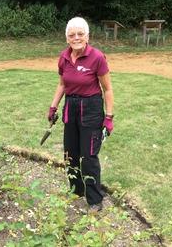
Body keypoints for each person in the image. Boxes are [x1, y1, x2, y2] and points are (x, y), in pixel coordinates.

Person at [48, 17, 114, 212]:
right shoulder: (64, 57)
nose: (76, 38)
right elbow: (62, 84)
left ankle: (95, 200)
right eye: (72, 35)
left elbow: (107, 89)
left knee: (89, 155)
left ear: (87, 36)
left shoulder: (97, 57)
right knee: (70, 153)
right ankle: (76, 191)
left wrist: (108, 118)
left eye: (80, 34)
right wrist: (53, 107)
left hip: (91, 108)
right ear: (67, 38)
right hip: (71, 106)